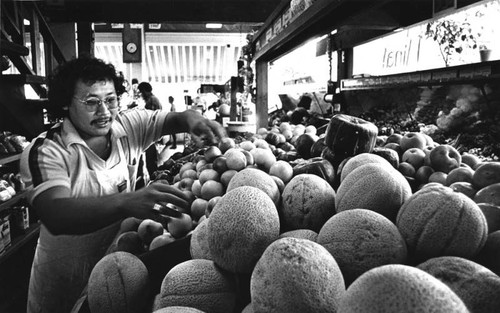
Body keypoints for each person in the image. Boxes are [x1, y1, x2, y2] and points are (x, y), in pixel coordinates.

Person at [19, 56, 225, 313]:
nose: (104, 111)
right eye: (91, 102)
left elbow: (177, 118)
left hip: (117, 268)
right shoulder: (47, 149)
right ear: (65, 104)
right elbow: (56, 214)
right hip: (64, 277)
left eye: (111, 100)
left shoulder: (128, 126)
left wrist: (194, 121)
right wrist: (126, 202)